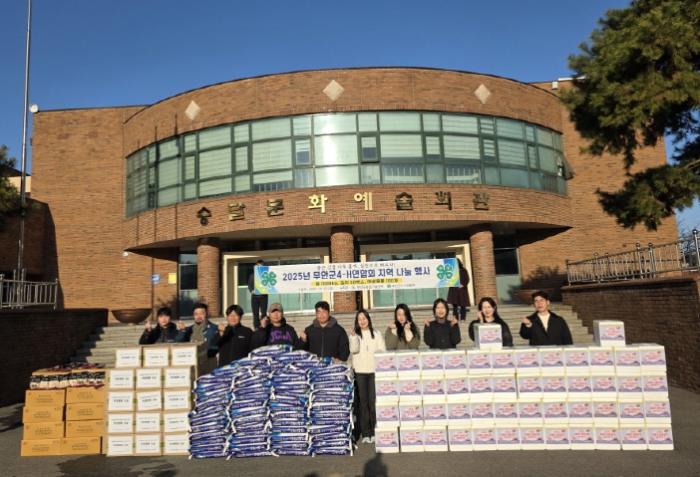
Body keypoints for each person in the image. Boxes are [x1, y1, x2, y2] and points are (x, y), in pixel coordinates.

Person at [349, 309, 386, 444]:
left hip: (374, 371)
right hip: (360, 372)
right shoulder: (355, 335)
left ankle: (375, 430)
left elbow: (382, 351)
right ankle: (366, 433)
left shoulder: (376, 334)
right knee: (363, 403)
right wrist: (353, 337)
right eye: (359, 319)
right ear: (357, 322)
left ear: (368, 319)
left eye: (364, 318)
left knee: (373, 401)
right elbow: (354, 350)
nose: (362, 321)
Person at [247, 259, 269, 329]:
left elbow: (269, 285)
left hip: (264, 297)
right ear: (256, 266)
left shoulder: (266, 274)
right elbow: (249, 285)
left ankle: (264, 327)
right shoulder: (252, 275)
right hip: (255, 297)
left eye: (261, 266)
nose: (259, 267)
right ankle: (256, 328)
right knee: (255, 314)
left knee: (264, 313)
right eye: (258, 266)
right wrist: (251, 291)